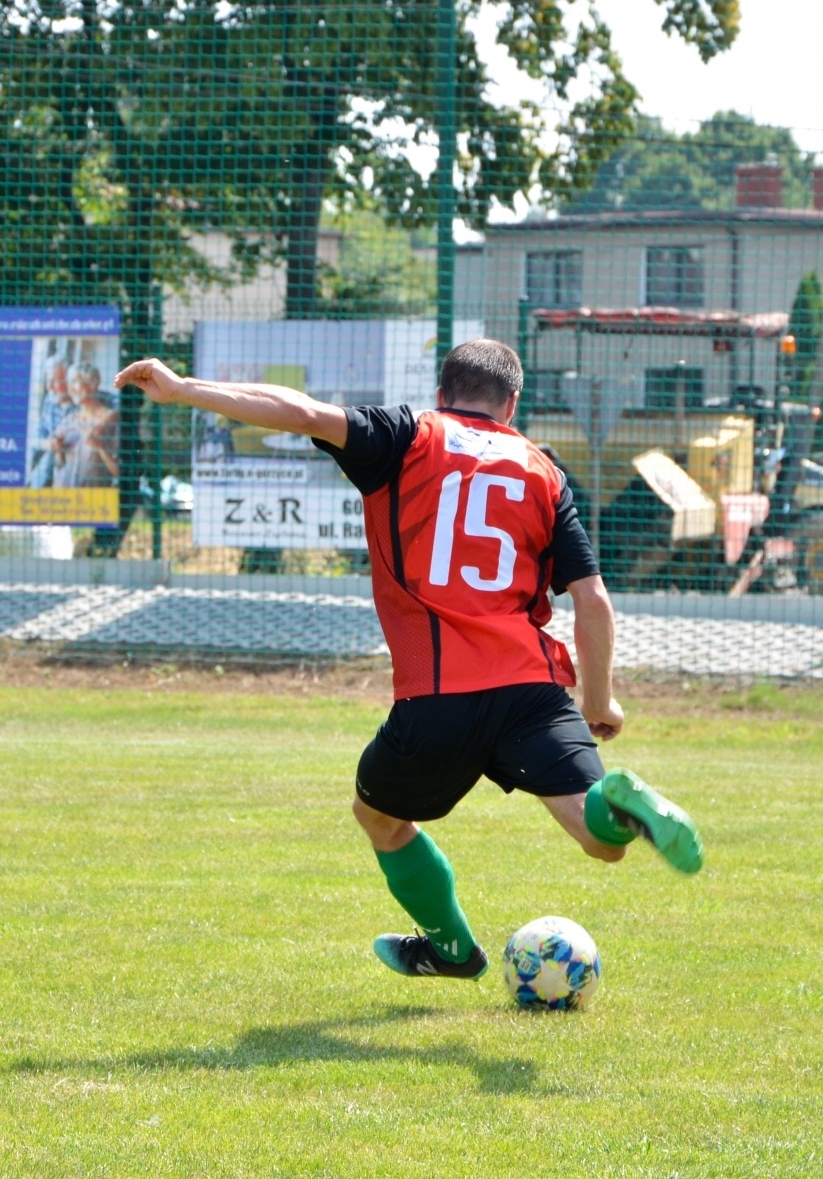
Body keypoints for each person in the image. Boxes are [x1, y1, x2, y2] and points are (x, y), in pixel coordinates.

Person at [114, 339, 703, 982]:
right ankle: (619, 799)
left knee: (379, 817)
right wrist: (598, 702)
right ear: (512, 404)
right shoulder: (544, 471)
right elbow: (591, 598)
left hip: (439, 696)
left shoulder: (407, 435)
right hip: (532, 689)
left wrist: (183, 389)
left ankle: (451, 949)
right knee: (601, 840)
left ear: (442, 393)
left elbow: (302, 412)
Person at [52, 361, 119, 488]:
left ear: (93, 384)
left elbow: (120, 473)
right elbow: (59, 464)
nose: (70, 389)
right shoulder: (69, 420)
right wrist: (58, 450)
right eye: (68, 383)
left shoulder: (112, 421)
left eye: (75, 382)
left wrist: (100, 447)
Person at [27, 359, 74, 488]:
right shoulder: (50, 401)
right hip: (47, 468)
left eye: (55, 381)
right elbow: (37, 436)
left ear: (70, 382)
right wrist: (47, 444)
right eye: (48, 381)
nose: (49, 387)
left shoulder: (82, 405)